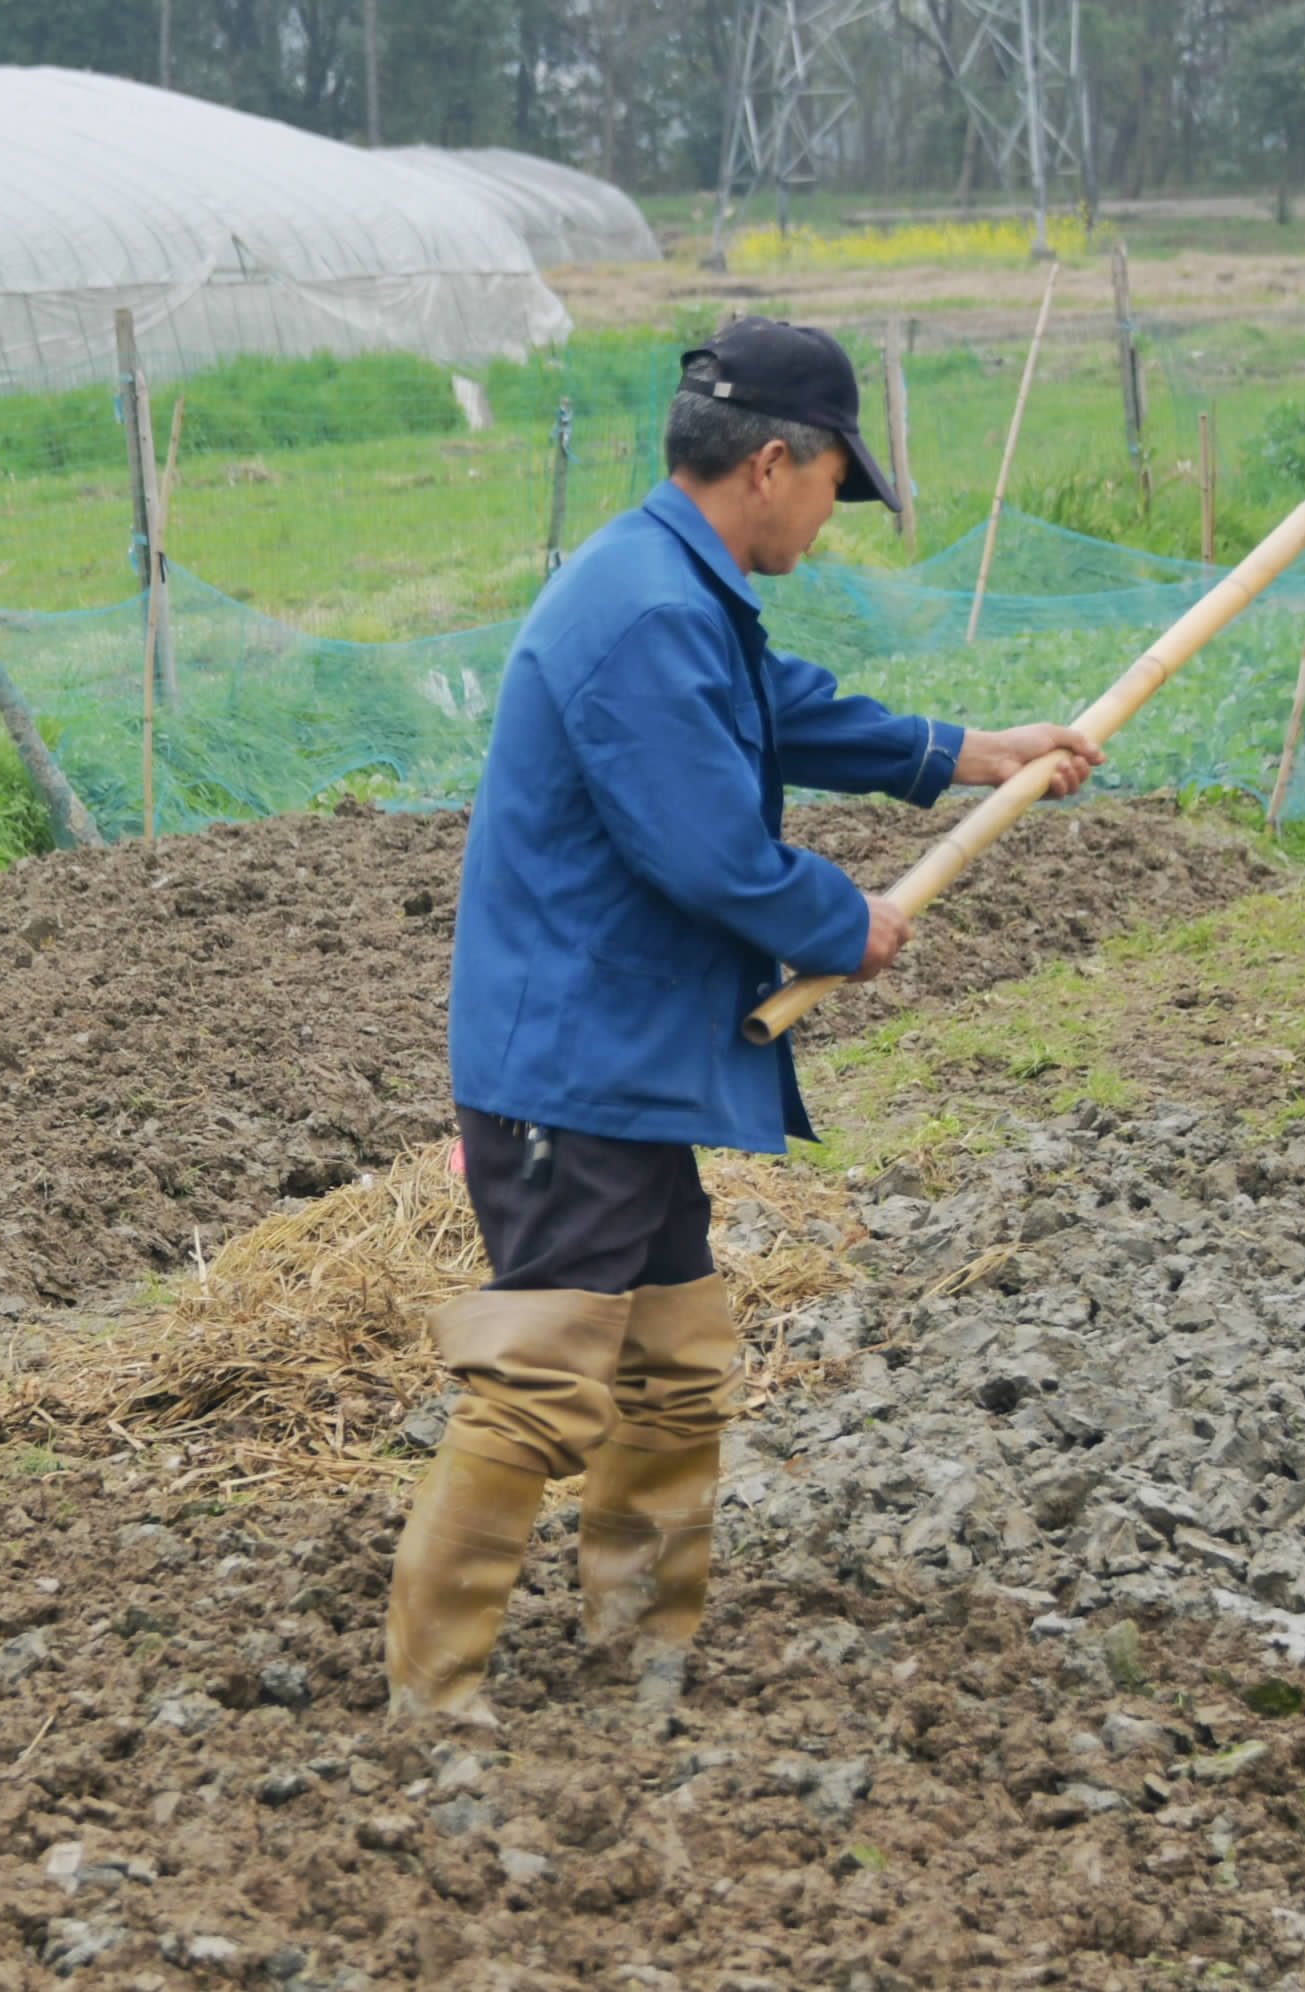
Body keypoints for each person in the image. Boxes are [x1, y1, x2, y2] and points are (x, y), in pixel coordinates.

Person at [385, 316, 1102, 1725]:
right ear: (774, 462)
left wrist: (969, 754)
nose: (837, 513)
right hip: (572, 1070)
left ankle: (638, 1636)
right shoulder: (649, 609)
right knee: (540, 1378)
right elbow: (706, 851)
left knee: (670, 1354)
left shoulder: (673, 586)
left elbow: (772, 710)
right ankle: (431, 1690)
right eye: (840, 482)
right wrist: (845, 923)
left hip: (625, 1058)